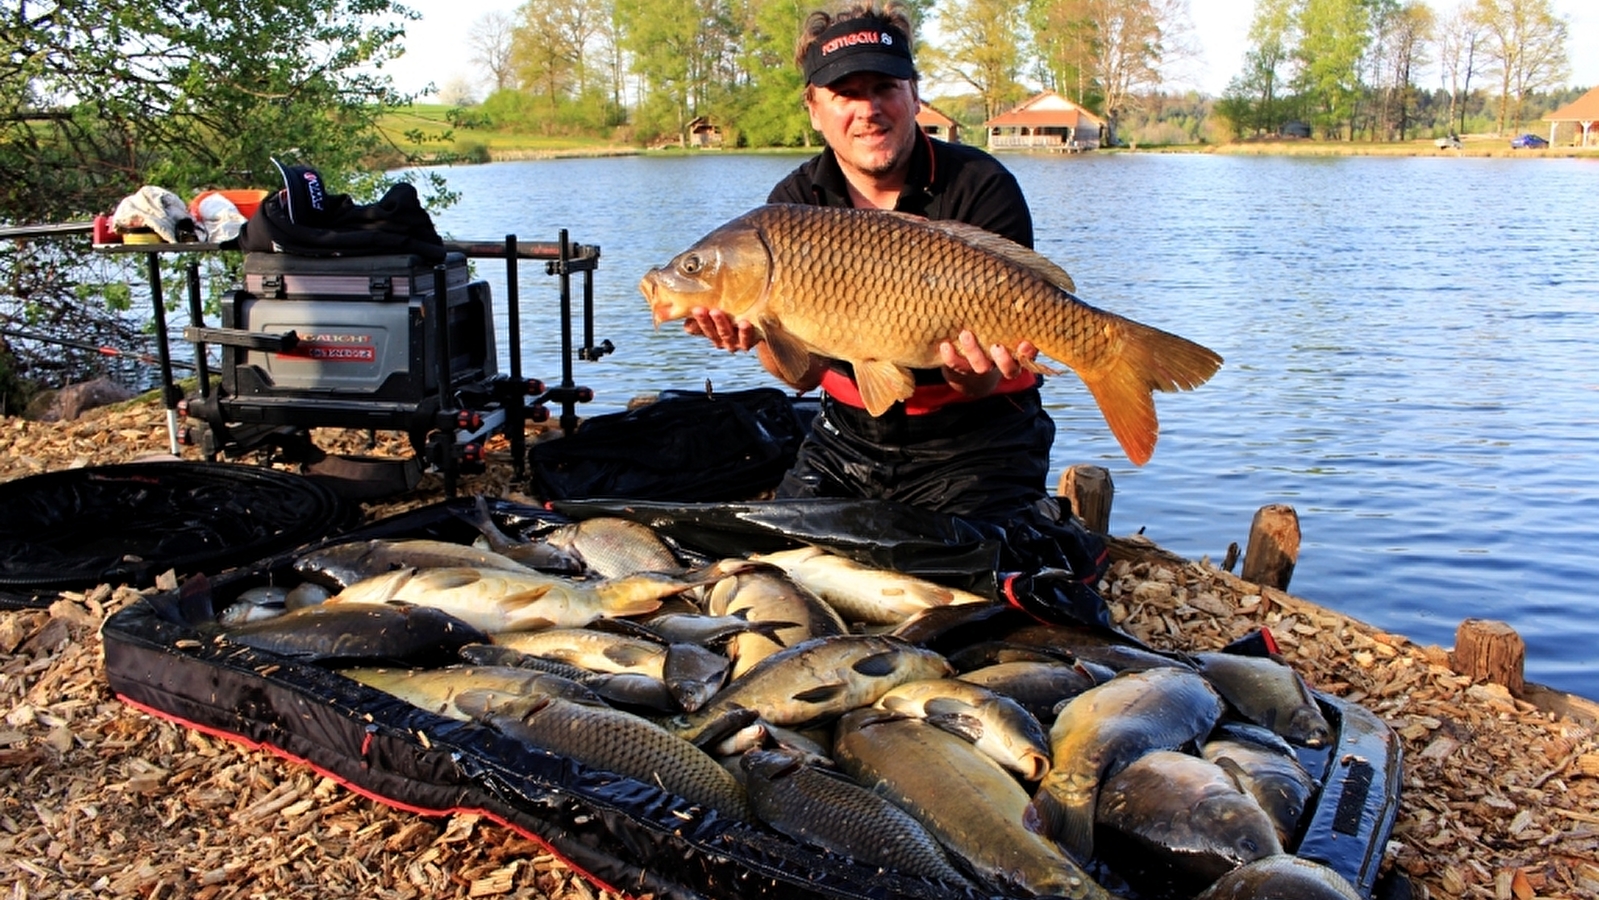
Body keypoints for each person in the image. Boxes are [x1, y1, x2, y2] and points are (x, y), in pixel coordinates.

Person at [684, 1, 1064, 533]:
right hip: (848, 433)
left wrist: (965, 368)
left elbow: (980, 385)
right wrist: (760, 334)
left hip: (982, 434)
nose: (869, 109)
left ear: (913, 94)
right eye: (846, 93)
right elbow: (803, 374)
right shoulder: (789, 206)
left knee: (961, 569)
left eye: (884, 87)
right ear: (815, 108)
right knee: (785, 563)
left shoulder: (980, 184)